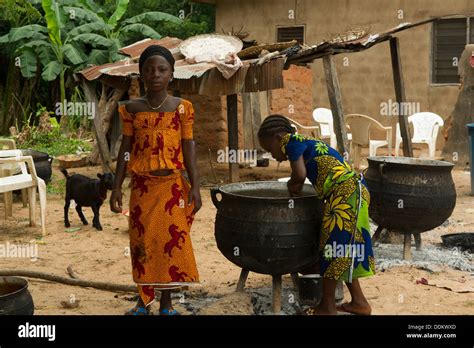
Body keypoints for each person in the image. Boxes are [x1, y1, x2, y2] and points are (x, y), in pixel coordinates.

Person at [110, 45, 202, 315]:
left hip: (172, 188)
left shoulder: (183, 109)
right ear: (141, 75)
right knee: (142, 245)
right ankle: (143, 302)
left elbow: (189, 147)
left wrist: (195, 186)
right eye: (149, 70)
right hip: (141, 188)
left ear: (172, 74)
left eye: (162, 69)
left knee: (169, 246)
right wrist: (116, 186)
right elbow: (125, 149)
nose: (156, 74)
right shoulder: (131, 109)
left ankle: (167, 304)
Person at [257, 115, 374, 315]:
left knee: (333, 249)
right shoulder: (306, 141)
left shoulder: (291, 142)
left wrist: (291, 187)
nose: (273, 155)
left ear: (278, 138)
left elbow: (300, 175)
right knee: (342, 248)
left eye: (270, 149)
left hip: (346, 195)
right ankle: (359, 303)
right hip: (352, 192)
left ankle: (326, 307)